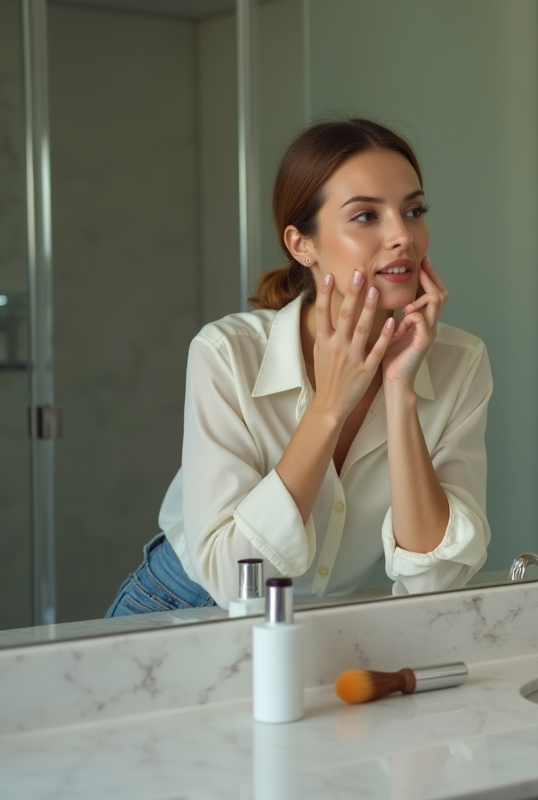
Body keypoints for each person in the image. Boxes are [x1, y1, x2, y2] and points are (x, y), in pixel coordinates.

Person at [107, 119, 491, 616]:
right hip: (182, 605)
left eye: (413, 210)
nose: (403, 236)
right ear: (301, 244)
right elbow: (231, 580)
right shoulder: (227, 355)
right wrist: (330, 407)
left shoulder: (459, 362)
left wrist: (400, 391)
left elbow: (436, 580)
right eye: (365, 217)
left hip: (319, 623)